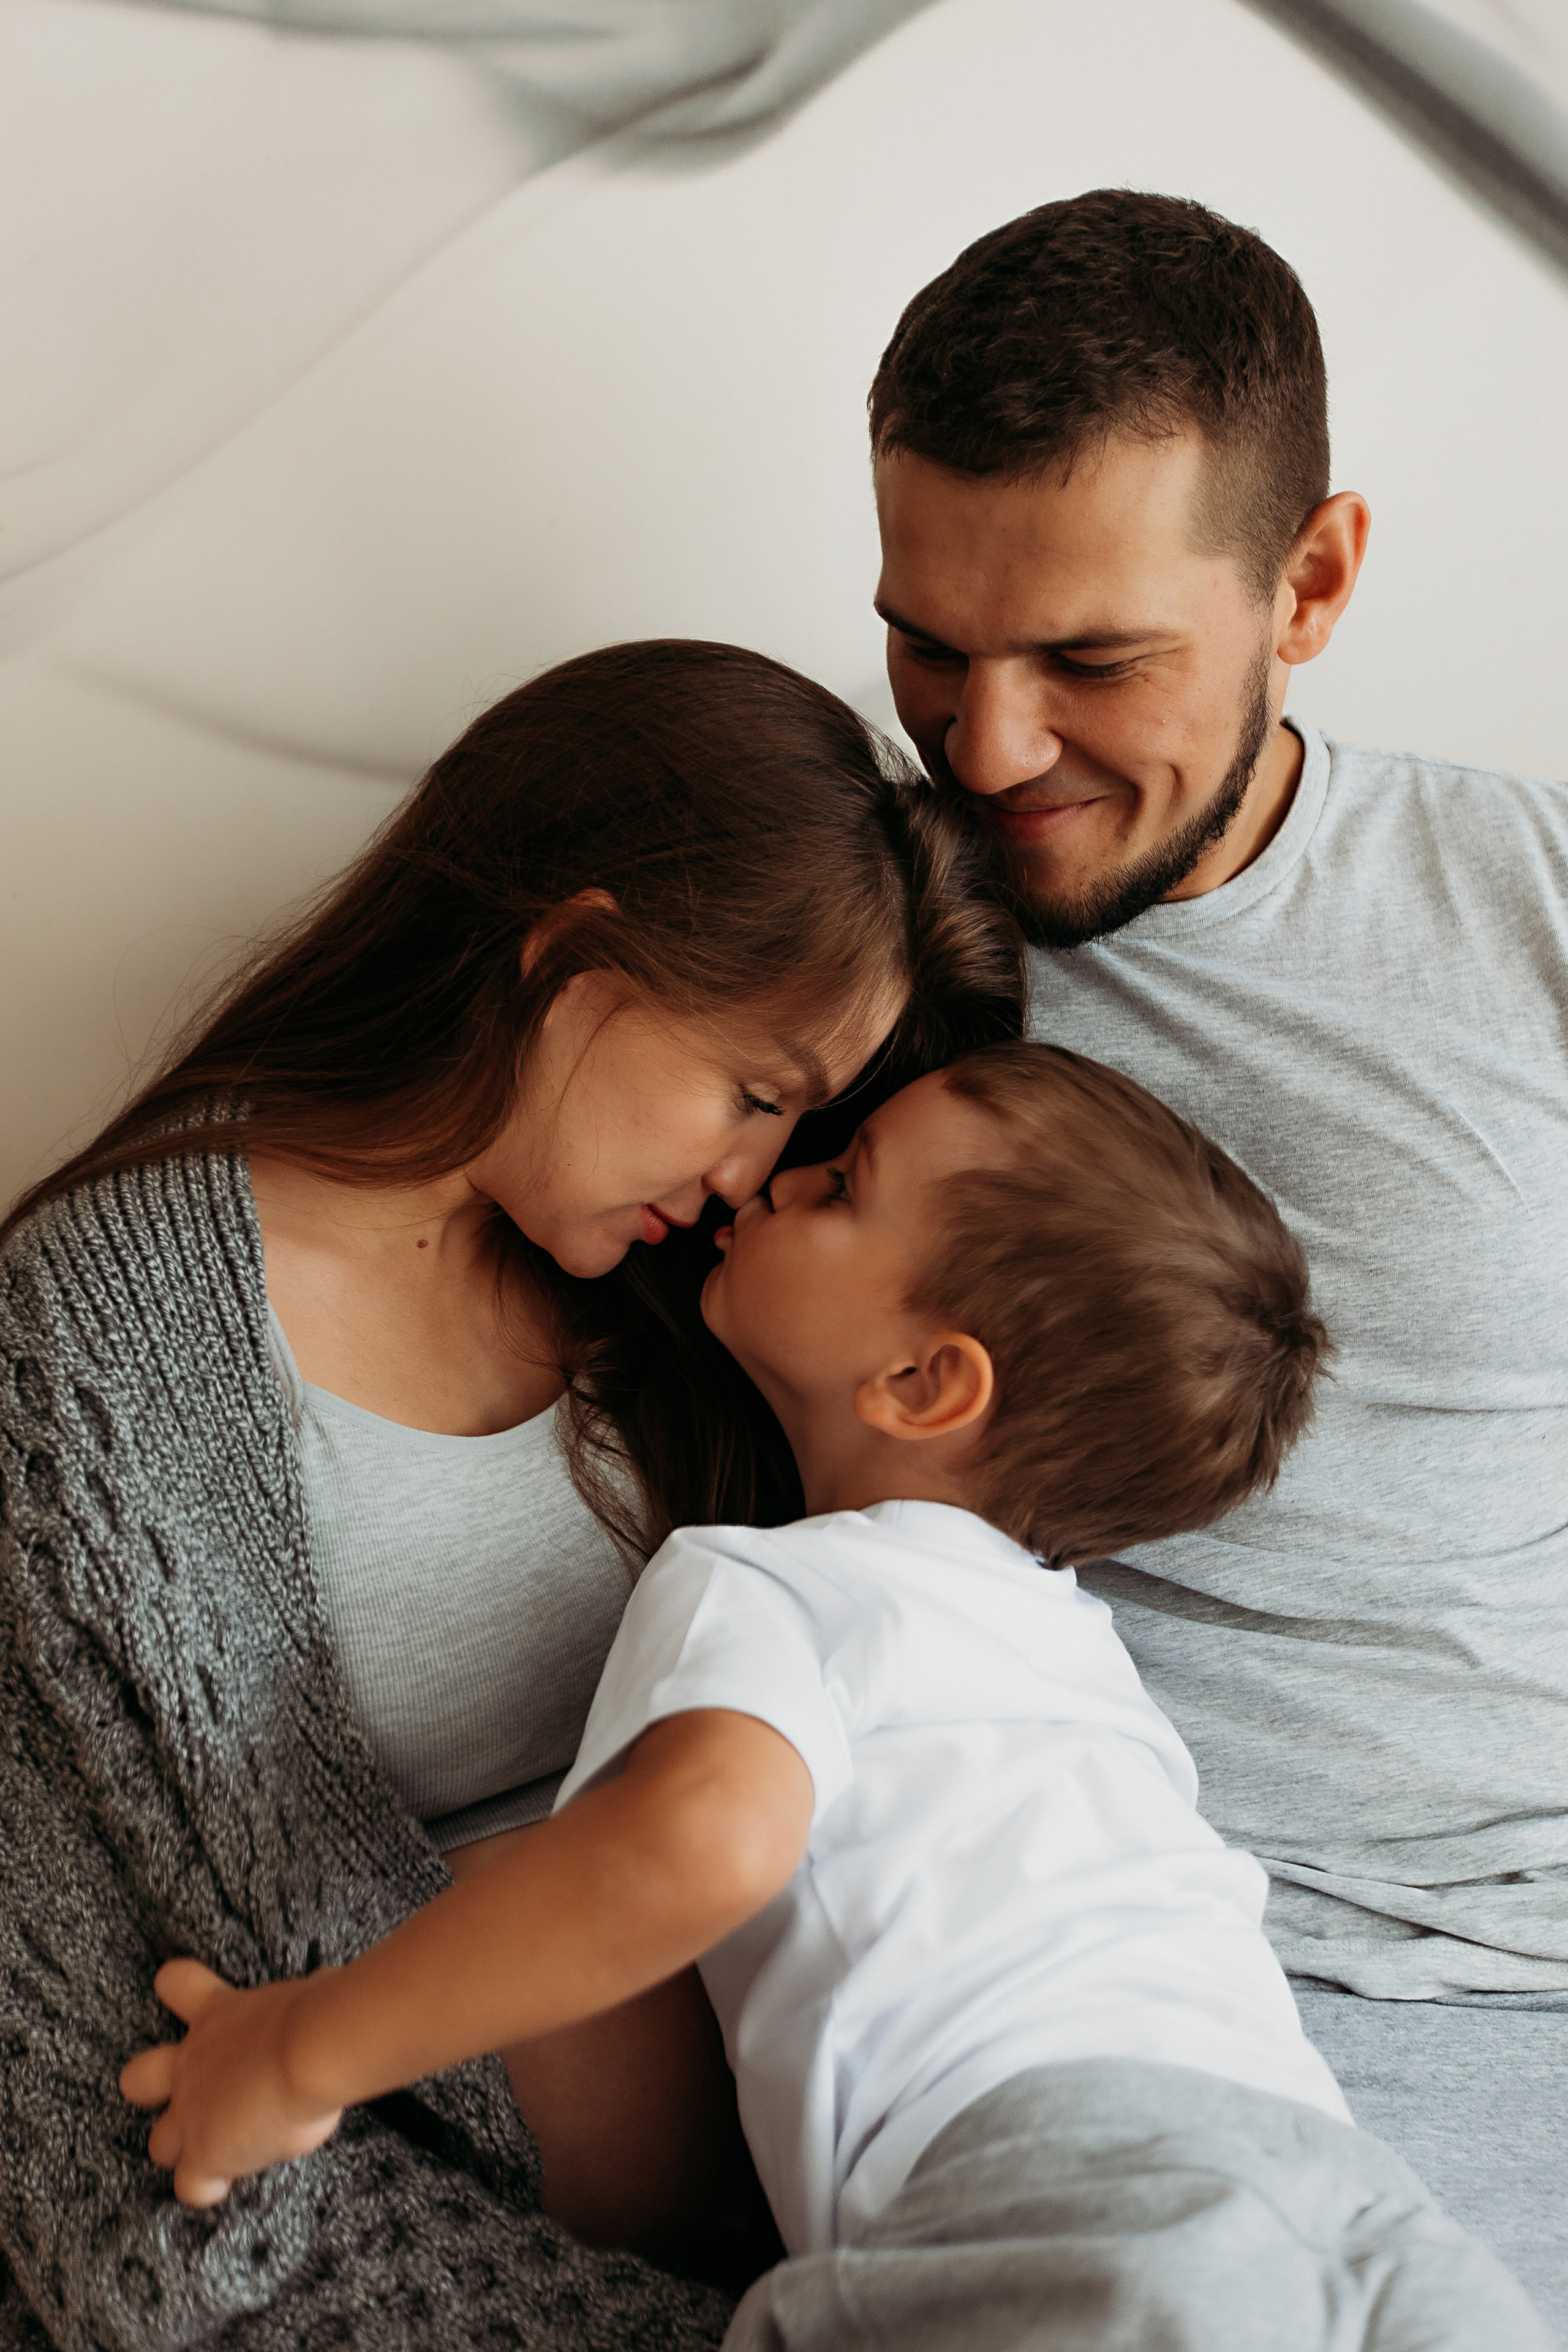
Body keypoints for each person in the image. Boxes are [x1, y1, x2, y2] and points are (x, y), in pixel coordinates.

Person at [118, 1043, 1549, 2350]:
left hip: (1048, 2189)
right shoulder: (1069, 1654)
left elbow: (695, 1847)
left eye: (847, 1184)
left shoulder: (777, 1588)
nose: (788, 1175)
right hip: (1350, 2197)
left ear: (923, 1382)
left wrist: (299, 2054)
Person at [0, 639, 1022, 2351]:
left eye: (800, 1130)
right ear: (567, 955)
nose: (749, 1176)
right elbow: (98, 2125)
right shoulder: (94, 1354)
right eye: (752, 1093)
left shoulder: (700, 1311)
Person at [865, 187, 1568, 2326]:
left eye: (1092, 663)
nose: (990, 751)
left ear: (1312, 582)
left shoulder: (1529, 902)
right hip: (1099, 1972)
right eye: (929, 646)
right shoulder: (845, 946)